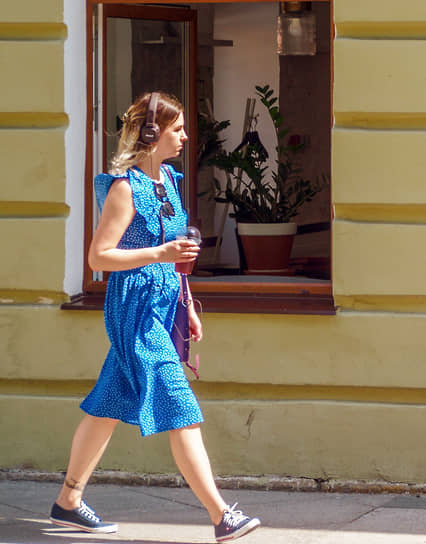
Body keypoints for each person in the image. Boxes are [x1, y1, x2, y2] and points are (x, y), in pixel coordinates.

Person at [48, 92, 261, 542]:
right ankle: (222, 515)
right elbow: (99, 257)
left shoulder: (168, 180)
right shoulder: (124, 188)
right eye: (177, 129)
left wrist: (187, 304)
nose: (185, 136)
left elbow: (177, 254)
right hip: (136, 309)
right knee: (179, 405)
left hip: (165, 305)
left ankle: (67, 501)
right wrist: (159, 253)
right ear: (152, 132)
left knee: (107, 404)